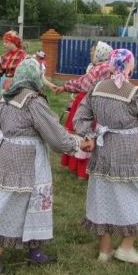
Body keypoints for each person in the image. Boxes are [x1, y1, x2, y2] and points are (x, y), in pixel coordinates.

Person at [0, 58, 93, 275]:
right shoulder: (33, 102)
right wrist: (79, 143)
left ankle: (35, 249)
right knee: (17, 204)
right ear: (35, 77)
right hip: (27, 160)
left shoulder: (7, 98)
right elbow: (55, 136)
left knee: (30, 201)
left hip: (6, 156)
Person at [74, 48, 138, 264]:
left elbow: (80, 117)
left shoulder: (96, 89)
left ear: (111, 65)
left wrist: (89, 135)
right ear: (131, 67)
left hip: (103, 152)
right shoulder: (136, 94)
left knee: (101, 197)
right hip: (129, 154)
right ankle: (125, 247)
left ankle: (104, 250)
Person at [56, 40, 114, 179]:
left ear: (100, 53)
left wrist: (65, 86)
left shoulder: (100, 68)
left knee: (84, 132)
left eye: (93, 51)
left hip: (88, 104)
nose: (91, 54)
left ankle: (82, 169)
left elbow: (83, 83)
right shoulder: (105, 67)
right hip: (99, 104)